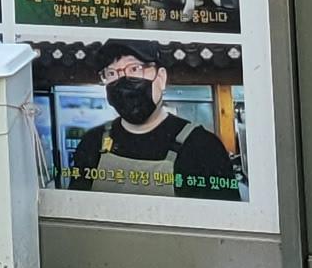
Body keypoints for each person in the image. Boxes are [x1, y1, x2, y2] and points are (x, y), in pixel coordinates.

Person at [65, 49, 243, 197]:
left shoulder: (203, 147)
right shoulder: (92, 143)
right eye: (111, 73)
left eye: (134, 68)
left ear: (161, 78)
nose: (123, 81)